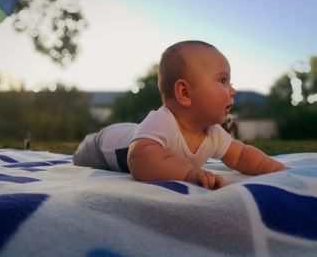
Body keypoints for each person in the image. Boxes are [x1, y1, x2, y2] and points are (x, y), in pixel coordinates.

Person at [73, 40, 286, 189]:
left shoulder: (212, 133)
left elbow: (240, 156)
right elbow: (140, 160)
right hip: (105, 145)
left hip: (136, 130)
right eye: (222, 81)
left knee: (138, 130)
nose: (233, 90)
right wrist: (188, 174)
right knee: (81, 155)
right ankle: (84, 143)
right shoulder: (163, 120)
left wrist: (277, 169)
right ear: (185, 93)